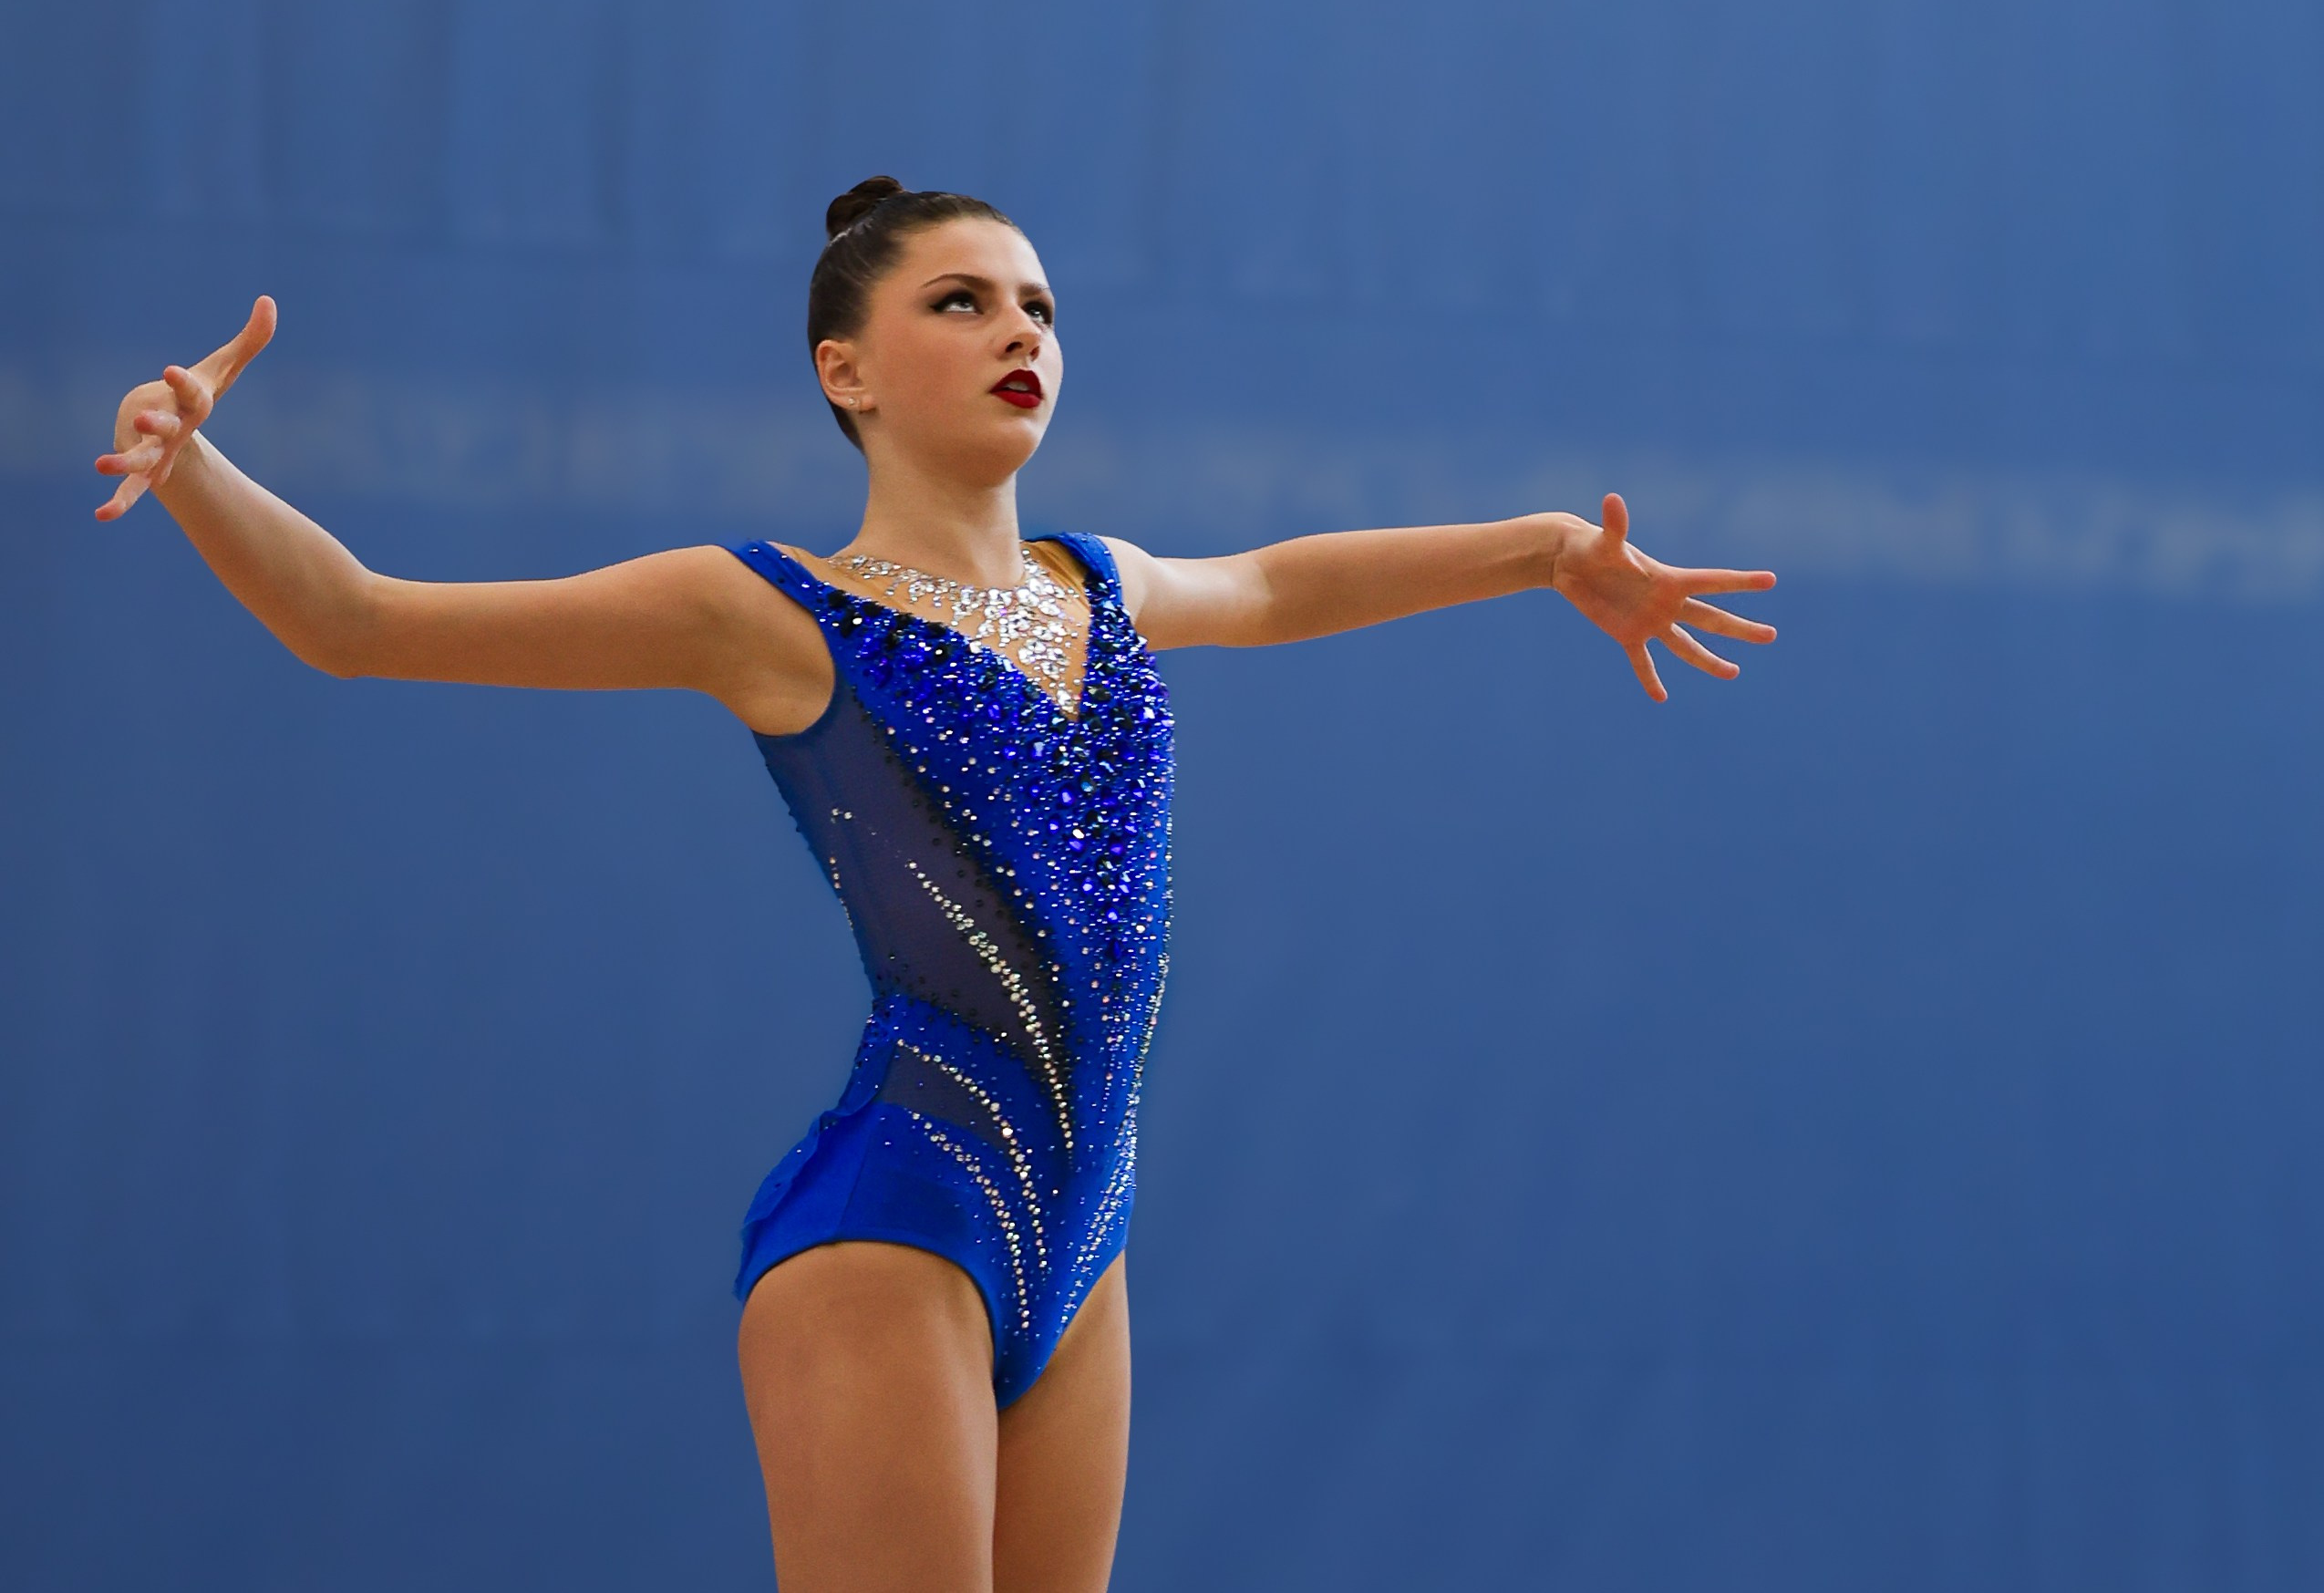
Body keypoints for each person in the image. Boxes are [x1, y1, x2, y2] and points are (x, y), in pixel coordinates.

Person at [96, 175, 1776, 1593]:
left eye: (1037, 305)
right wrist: (195, 461)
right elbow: (361, 623)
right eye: (963, 304)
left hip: (1084, 1229)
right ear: (850, 369)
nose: (1021, 332)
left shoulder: (1097, 589)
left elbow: (1276, 579)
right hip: (898, 1223)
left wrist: (1551, 547)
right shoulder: (764, 611)